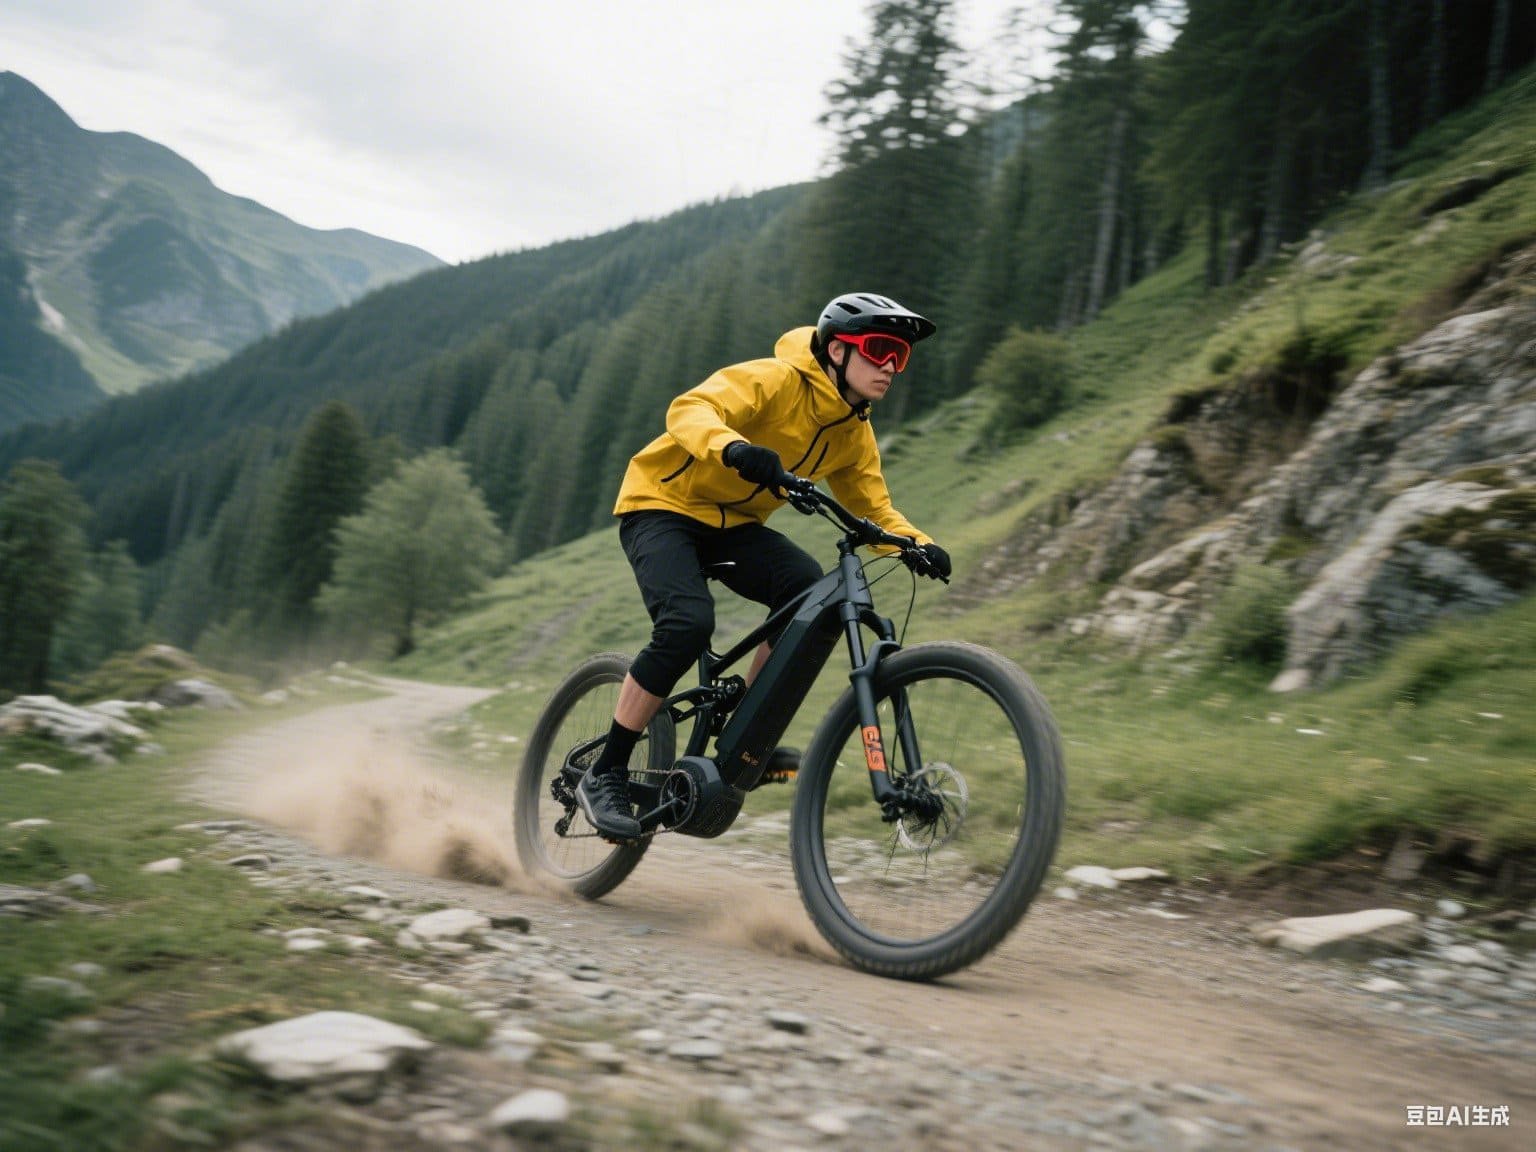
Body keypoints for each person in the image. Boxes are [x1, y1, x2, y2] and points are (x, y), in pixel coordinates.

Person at [576, 291, 952, 840]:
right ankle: (605, 772)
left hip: (733, 525)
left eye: (901, 356)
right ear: (836, 351)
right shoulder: (775, 381)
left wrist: (917, 544)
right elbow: (690, 409)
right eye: (879, 350)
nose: (891, 366)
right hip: (662, 506)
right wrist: (732, 448)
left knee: (806, 591)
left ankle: (745, 731)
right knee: (687, 623)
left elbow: (874, 510)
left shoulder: (854, 432)